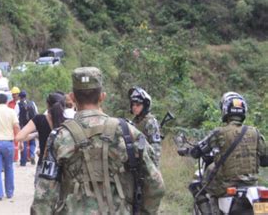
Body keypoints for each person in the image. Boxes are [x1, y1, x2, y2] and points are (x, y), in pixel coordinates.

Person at [31, 67, 165, 214]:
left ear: (72, 97)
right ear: (102, 96)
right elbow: (155, 184)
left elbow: (43, 198)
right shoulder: (128, 132)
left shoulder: (59, 137)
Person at [187, 92, 268, 214]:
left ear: (225, 110)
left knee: (197, 186)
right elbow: (265, 160)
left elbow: (197, 151)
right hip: (252, 184)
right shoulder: (255, 133)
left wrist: (191, 151)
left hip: (227, 184)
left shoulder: (219, 133)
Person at [15, 92, 66, 184]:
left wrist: (36, 134)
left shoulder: (39, 119)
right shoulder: (68, 121)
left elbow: (19, 137)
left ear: (47, 105)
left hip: (45, 166)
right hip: (64, 167)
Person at [128, 87, 162, 166]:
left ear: (145, 105)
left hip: (147, 163)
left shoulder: (150, 122)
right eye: (133, 104)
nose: (134, 107)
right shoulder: (135, 121)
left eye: (138, 104)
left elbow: (156, 147)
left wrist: (153, 167)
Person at [15, 90, 38, 166]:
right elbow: (36, 113)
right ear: (26, 96)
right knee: (32, 142)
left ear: (19, 97)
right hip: (32, 124)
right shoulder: (32, 103)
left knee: (24, 141)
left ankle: (23, 161)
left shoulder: (18, 105)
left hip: (23, 126)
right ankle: (32, 155)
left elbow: (16, 116)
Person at [8, 87, 20, 162]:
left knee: (18, 140)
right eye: (13, 94)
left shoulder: (21, 103)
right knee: (13, 140)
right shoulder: (10, 104)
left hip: (19, 123)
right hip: (11, 124)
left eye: (15, 94)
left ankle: (16, 157)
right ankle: (14, 157)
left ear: (18, 94)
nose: (14, 96)